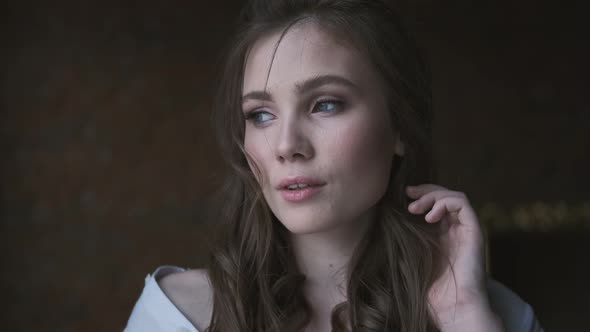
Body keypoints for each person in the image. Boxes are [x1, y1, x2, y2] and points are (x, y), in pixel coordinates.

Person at [124, 0, 543, 331]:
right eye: (260, 115)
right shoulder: (174, 318)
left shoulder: (496, 316)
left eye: (325, 104)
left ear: (399, 125)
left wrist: (464, 317)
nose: (286, 145)